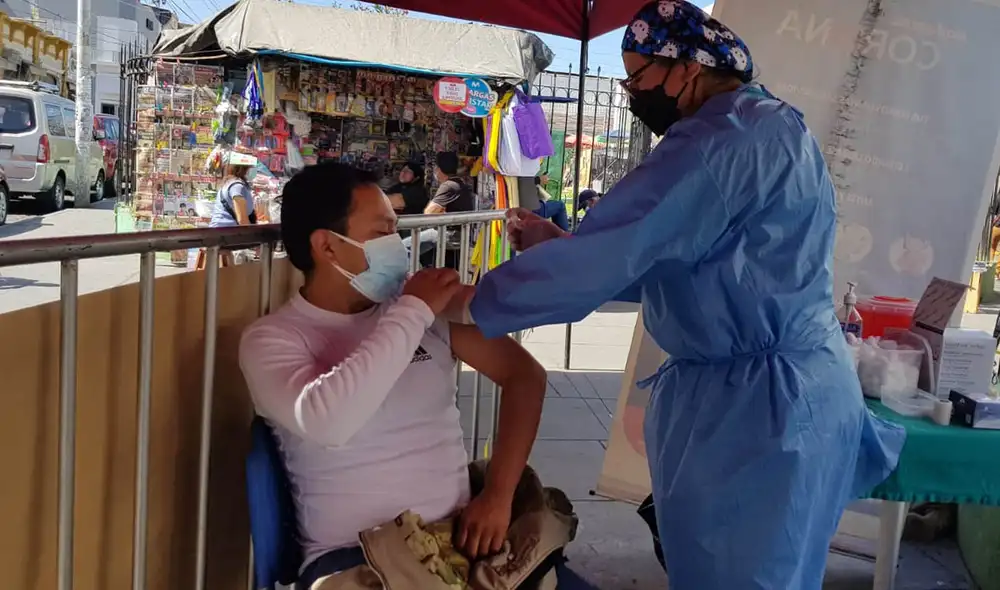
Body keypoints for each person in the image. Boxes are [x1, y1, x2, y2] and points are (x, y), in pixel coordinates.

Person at [450, 2, 907, 589]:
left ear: (686, 68)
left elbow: (607, 258)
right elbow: (697, 264)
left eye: (637, 78)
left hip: (758, 412)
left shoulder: (716, 142)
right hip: (791, 394)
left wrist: (465, 303)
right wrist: (563, 244)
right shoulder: (773, 123)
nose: (633, 94)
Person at [238, 163, 547, 589]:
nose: (396, 246)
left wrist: (498, 495)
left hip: (458, 543)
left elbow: (524, 376)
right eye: (381, 233)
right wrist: (413, 311)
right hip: (359, 562)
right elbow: (331, 421)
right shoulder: (274, 340)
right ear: (327, 247)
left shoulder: (426, 309)